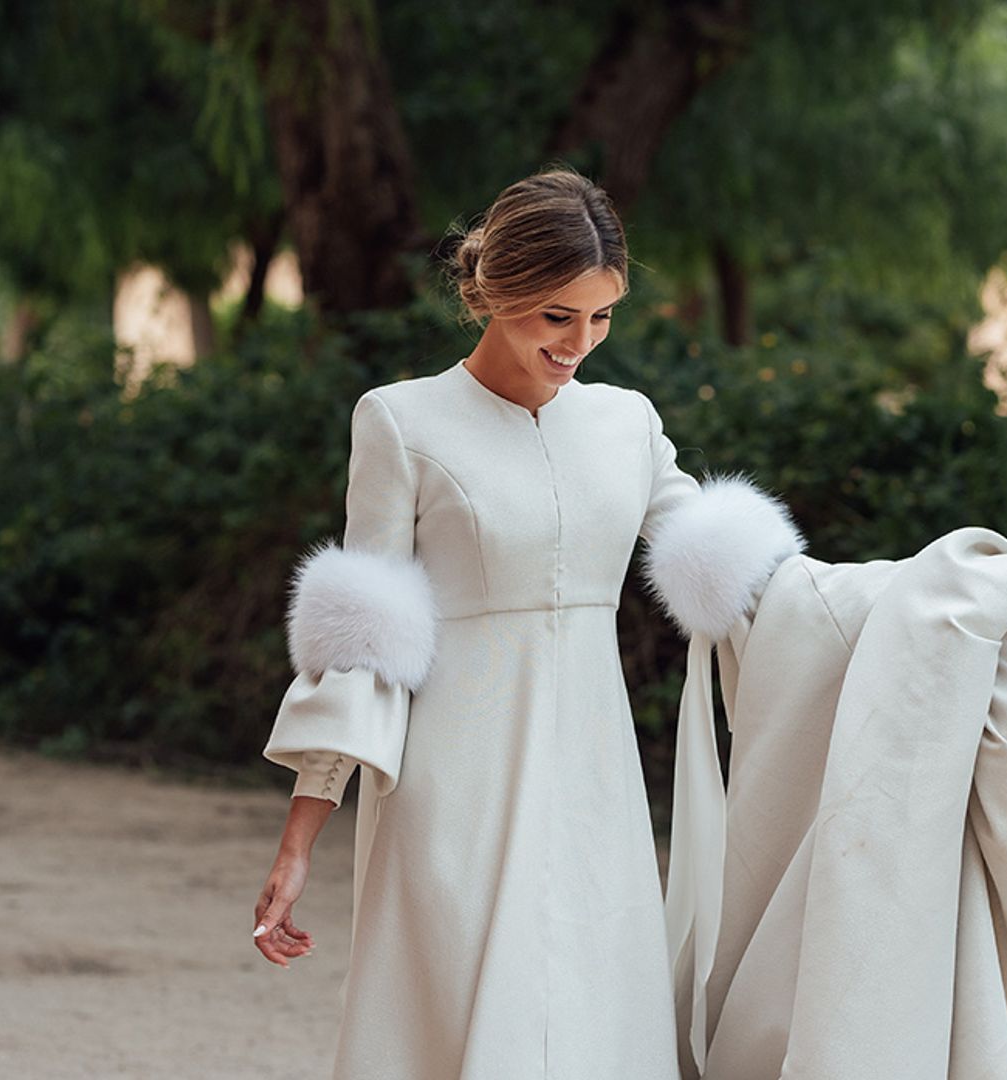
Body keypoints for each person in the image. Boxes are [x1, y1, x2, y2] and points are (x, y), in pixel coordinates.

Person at [250, 167, 706, 1078]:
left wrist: (950, 596)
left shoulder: (628, 423)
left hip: (593, 780)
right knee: (452, 1025)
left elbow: (739, 570)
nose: (581, 342)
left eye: (602, 316)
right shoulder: (401, 421)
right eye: (556, 316)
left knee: (593, 1018)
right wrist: (299, 840)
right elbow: (361, 643)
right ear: (495, 293)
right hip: (452, 786)